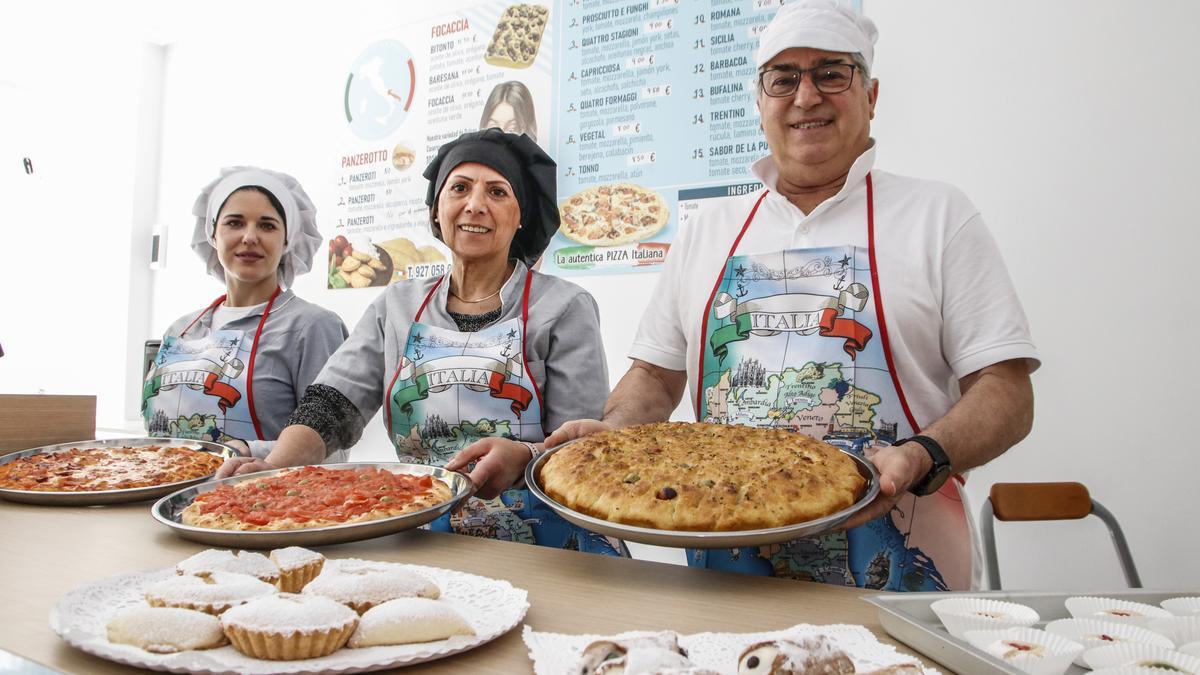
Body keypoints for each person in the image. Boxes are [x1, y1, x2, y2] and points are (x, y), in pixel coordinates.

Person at [547, 0, 1038, 591]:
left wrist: (924, 454)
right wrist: (616, 433)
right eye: (784, 78)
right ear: (760, 103)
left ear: (871, 95)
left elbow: (1006, 391)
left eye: (831, 72)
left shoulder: (938, 215)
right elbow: (655, 375)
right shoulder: (708, 227)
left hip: (904, 566)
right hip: (729, 572)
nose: (806, 96)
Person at [218, 129, 624, 556]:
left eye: (498, 192)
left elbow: (579, 449)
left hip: (547, 543)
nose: (475, 205)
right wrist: (274, 465)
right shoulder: (397, 304)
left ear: (520, 215)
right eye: (460, 188)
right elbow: (331, 404)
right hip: (423, 530)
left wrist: (527, 453)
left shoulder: (563, 306)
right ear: (436, 211)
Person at [143, 167, 348, 460]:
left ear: (287, 240)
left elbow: (333, 453)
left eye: (267, 226)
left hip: (269, 500)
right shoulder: (182, 330)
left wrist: (247, 451)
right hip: (170, 493)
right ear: (212, 234)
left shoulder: (312, 327)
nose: (250, 237)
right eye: (235, 223)